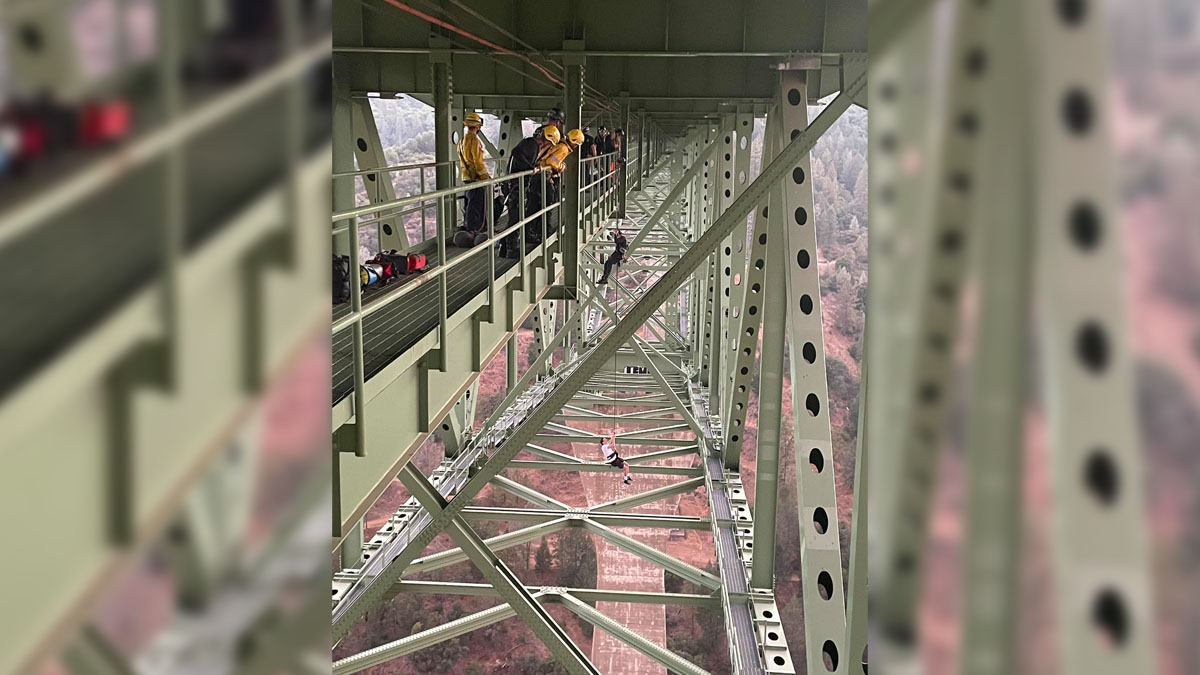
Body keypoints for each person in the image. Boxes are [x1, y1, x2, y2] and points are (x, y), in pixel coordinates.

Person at [499, 125, 558, 256]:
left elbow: (517, 155)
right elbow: (518, 156)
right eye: (549, 143)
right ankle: (511, 249)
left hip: (514, 185)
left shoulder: (529, 143)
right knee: (516, 218)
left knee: (515, 217)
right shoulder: (532, 144)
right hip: (515, 186)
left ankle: (504, 248)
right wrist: (531, 168)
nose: (548, 146)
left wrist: (533, 167)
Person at [454, 111, 491, 248]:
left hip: (466, 176)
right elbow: (477, 162)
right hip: (475, 177)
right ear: (478, 126)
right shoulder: (474, 140)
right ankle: (475, 231)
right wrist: (485, 177)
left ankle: (470, 228)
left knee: (470, 203)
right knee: (476, 204)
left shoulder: (462, 141)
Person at [537, 128, 584, 235]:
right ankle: (544, 230)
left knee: (545, 203)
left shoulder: (561, 145)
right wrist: (561, 166)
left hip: (542, 173)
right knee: (548, 203)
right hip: (544, 175)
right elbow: (551, 161)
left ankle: (540, 229)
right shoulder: (564, 148)